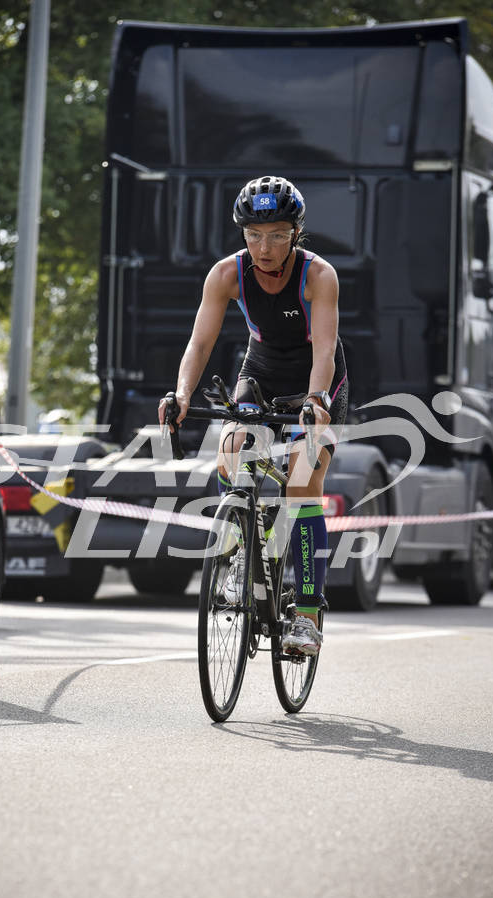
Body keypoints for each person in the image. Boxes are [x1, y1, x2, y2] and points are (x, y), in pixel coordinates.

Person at [159, 175, 348, 656]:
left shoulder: (318, 275)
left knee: (303, 485)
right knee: (231, 451)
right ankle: (245, 548)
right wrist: (181, 394)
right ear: (242, 234)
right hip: (260, 368)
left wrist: (317, 400)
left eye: (278, 234)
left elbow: (324, 349)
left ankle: (306, 614)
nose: (265, 247)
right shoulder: (226, 274)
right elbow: (200, 343)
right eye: (254, 235)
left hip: (318, 378)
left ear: (296, 233)